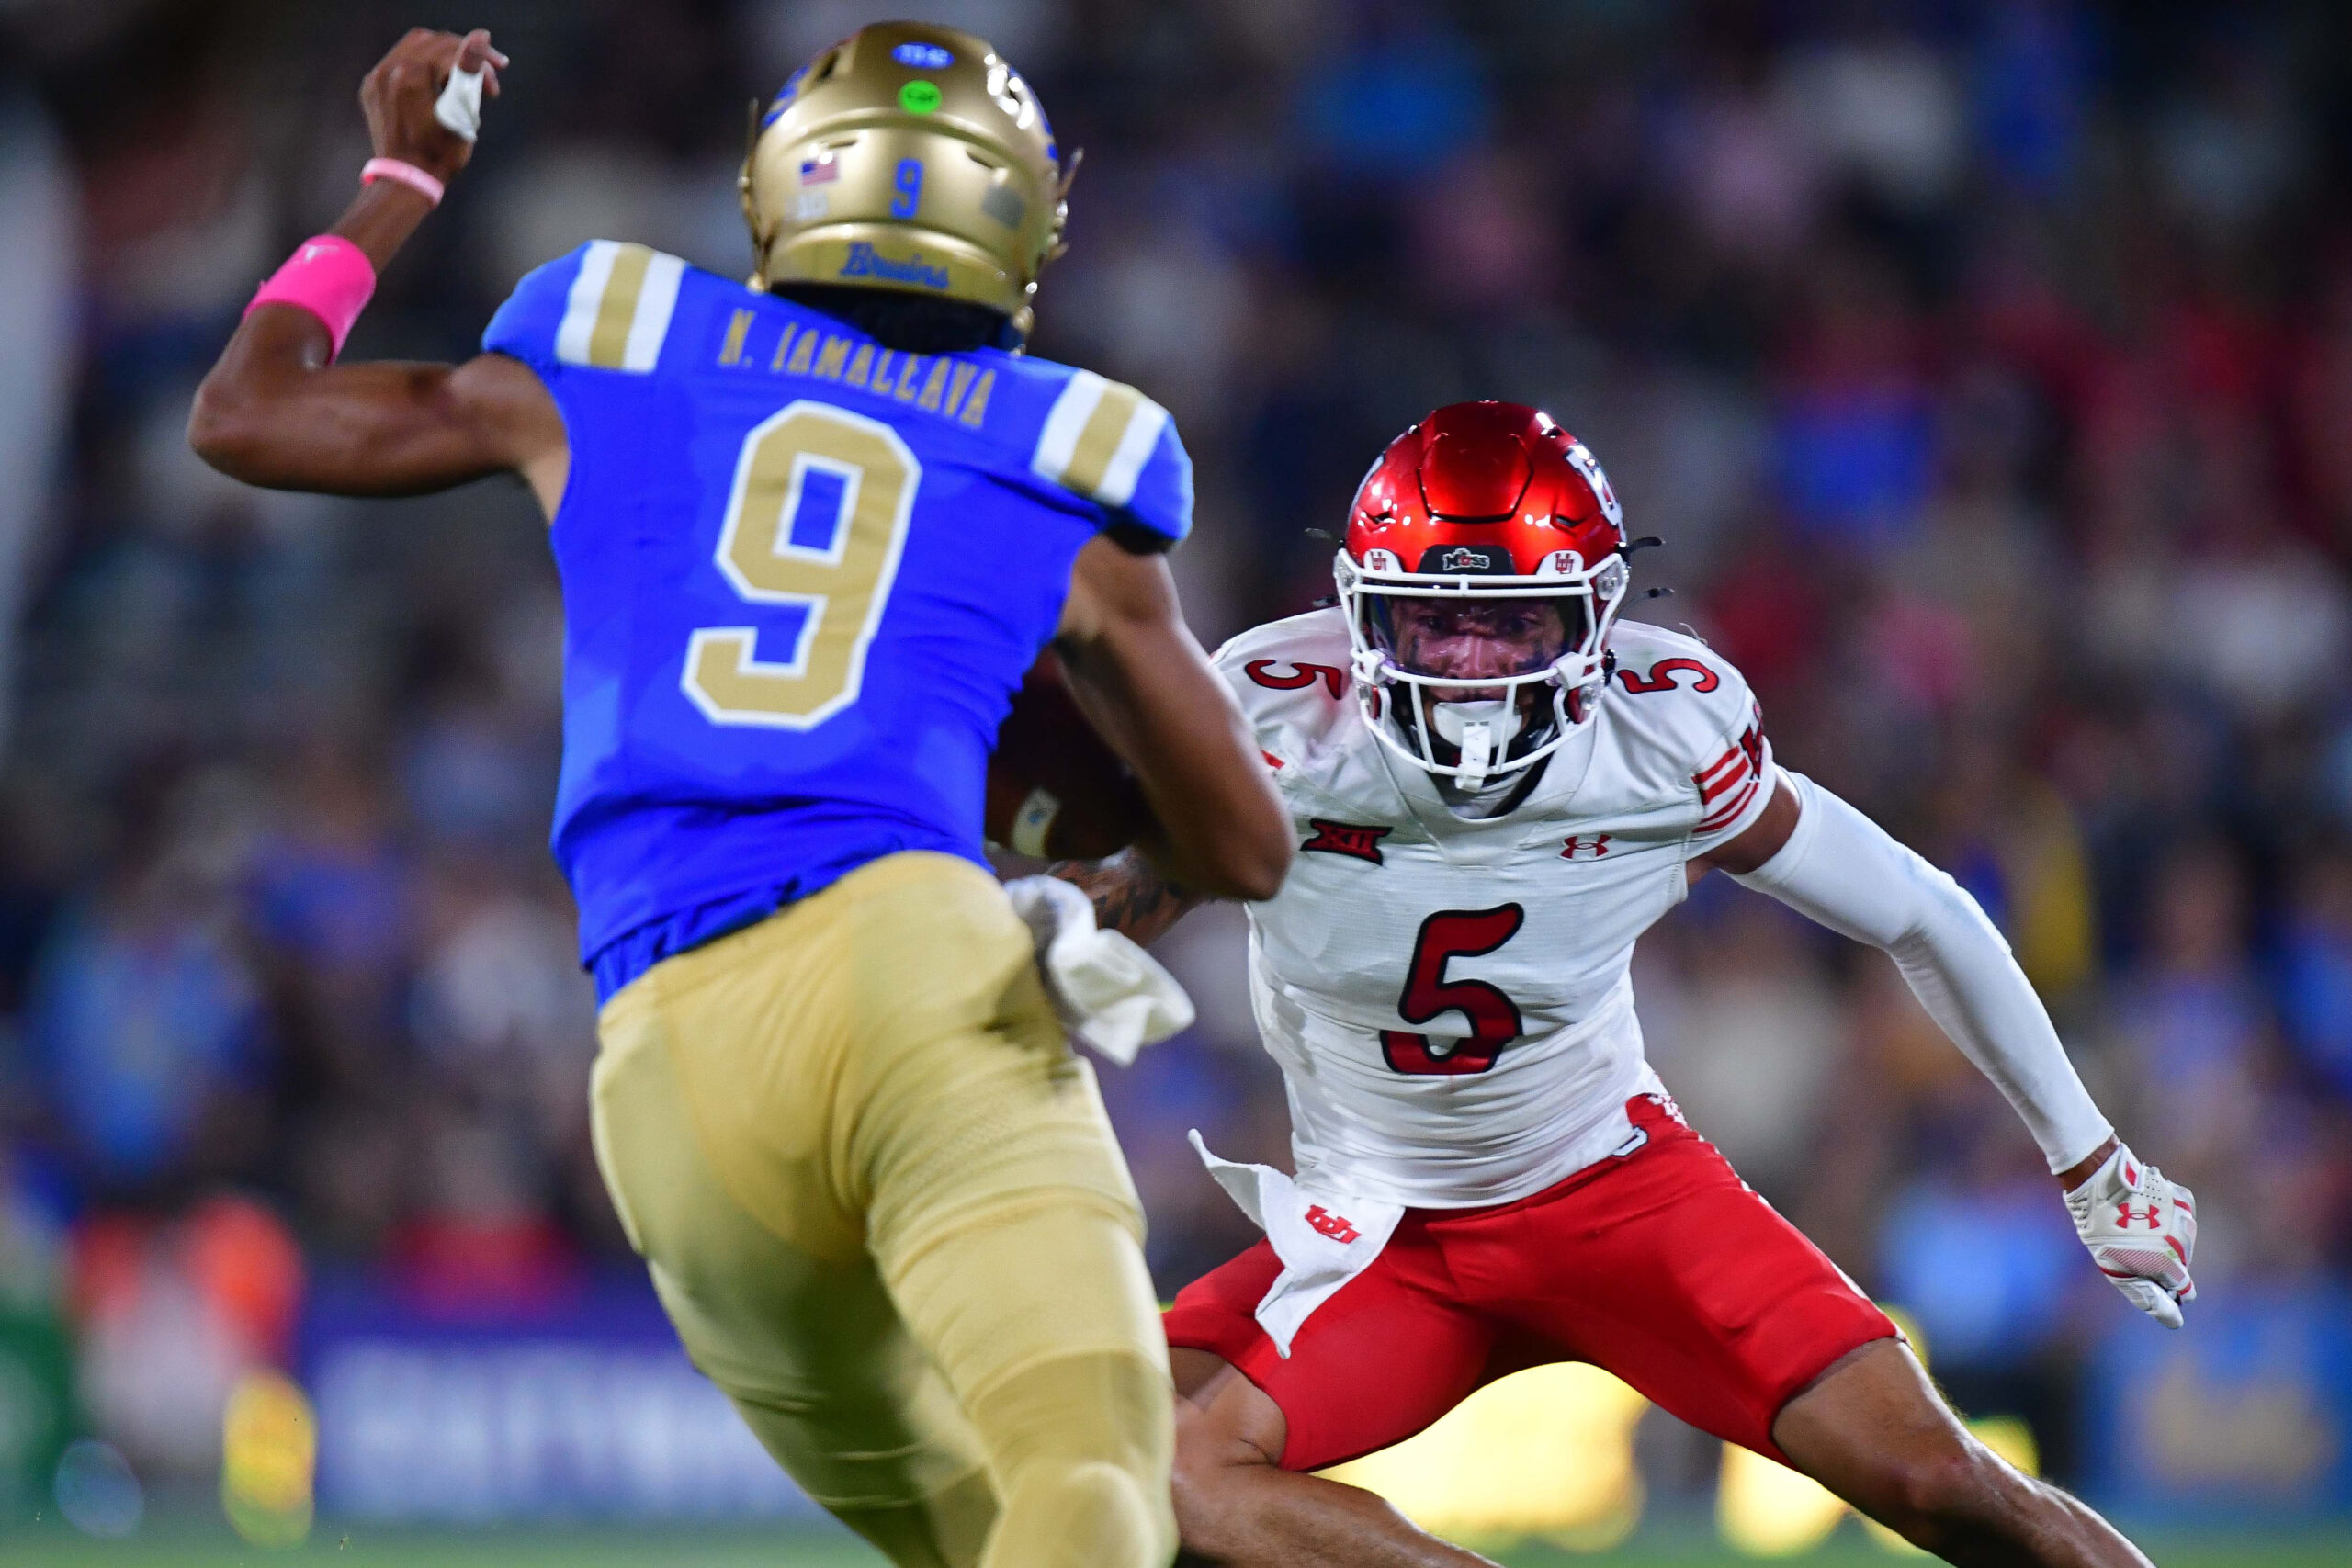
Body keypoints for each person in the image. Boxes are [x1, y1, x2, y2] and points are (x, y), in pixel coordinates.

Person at [187, 23, 1292, 1568]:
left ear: (782, 184)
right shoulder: (1064, 452)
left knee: (985, 1528)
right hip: (917, 968)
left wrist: (399, 178)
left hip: (665, 1053)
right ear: (1025, 216)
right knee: (1091, 1484)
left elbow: (245, 413)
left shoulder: (614, 341)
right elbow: (1246, 842)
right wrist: (1077, 836)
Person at [1053, 401, 2195, 1568]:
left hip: (1617, 1194)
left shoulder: (1661, 734)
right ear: (1358, 614)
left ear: (1596, 619)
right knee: (1131, 1476)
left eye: (1511, 629)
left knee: (1939, 1480)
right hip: (1380, 1232)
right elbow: (1106, 902)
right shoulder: (1272, 720)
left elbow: (1921, 910)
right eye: (1434, 627)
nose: (1469, 672)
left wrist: (2093, 1160)